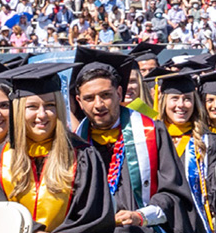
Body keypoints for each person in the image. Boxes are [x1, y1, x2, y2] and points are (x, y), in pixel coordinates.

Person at [0, 62, 112, 233]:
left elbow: (93, 218)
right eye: (32, 107)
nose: (42, 115)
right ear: (19, 110)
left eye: (50, 106)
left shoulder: (83, 156)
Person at [69, 48, 197, 233]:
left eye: (106, 95)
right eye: (89, 98)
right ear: (79, 102)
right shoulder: (74, 144)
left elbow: (175, 194)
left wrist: (141, 216)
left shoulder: (152, 132)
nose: (98, 105)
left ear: (119, 93)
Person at [151, 67, 216, 233]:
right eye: (174, 98)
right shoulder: (148, 138)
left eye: (187, 99)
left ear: (195, 103)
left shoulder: (208, 142)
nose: (181, 105)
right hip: (157, 224)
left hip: (194, 225)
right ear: (163, 101)